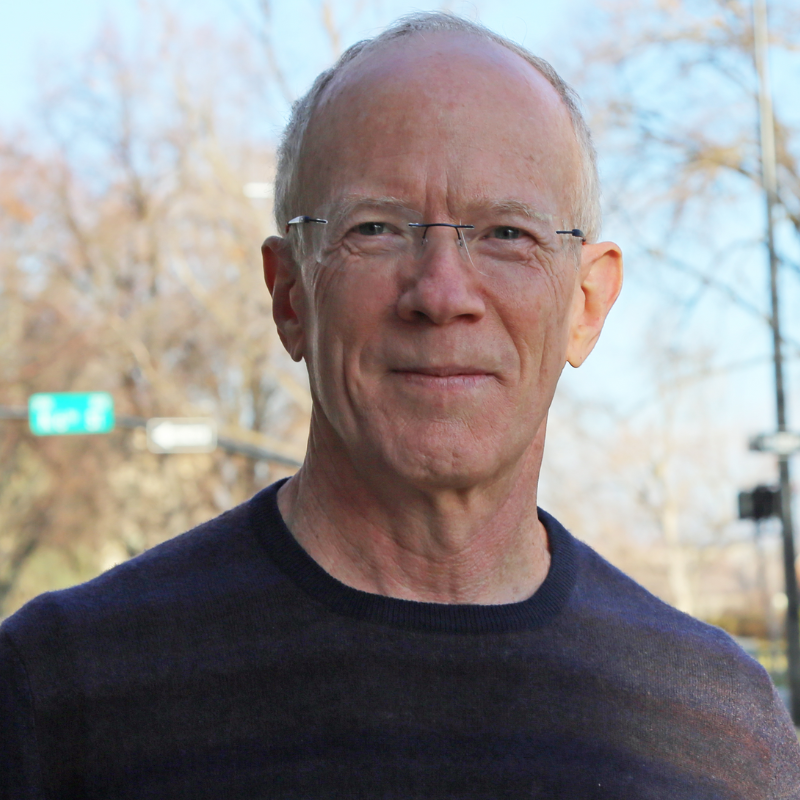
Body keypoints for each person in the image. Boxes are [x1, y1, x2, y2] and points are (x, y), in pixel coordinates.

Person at [1, 12, 799, 799]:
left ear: (587, 304)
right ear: (289, 297)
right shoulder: (57, 695)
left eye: (508, 235)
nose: (443, 294)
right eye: (376, 228)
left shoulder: (724, 736)